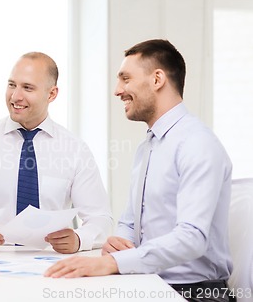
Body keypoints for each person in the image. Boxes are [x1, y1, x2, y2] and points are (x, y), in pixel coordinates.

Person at [44, 39, 235, 302]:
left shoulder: (197, 144)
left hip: (195, 293)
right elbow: (129, 223)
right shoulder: (148, 146)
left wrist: (113, 264)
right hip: (149, 282)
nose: (117, 90)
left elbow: (192, 238)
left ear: (157, 79)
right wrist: (117, 244)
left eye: (125, 79)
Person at [0, 52, 112, 254]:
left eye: (27, 88)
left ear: (52, 94)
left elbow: (100, 217)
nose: (15, 96)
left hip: (52, 263)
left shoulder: (75, 149)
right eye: (12, 85)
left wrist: (80, 239)